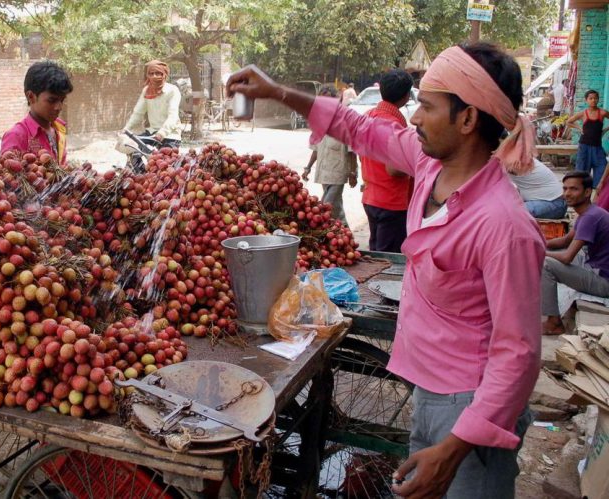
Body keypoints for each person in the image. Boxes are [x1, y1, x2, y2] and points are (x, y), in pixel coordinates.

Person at [228, 41, 544, 499]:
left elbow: (518, 356)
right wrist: (278, 92)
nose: (414, 117)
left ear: (468, 119)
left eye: (428, 106)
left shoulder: (504, 226)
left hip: (471, 410)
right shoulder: (429, 166)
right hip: (430, 391)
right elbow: (356, 128)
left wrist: (454, 450)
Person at [541, 171, 609, 334]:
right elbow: (564, 241)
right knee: (548, 255)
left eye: (573, 189)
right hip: (595, 268)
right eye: (565, 189)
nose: (567, 194)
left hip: (605, 281)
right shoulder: (589, 213)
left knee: (545, 265)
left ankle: (554, 322)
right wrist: (538, 244)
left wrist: (539, 252)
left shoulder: (590, 217)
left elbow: (566, 257)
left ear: (587, 192)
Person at [360, 69, 414, 252]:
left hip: (371, 197)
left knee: (377, 253)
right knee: (388, 260)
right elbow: (394, 169)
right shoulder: (393, 124)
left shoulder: (368, 116)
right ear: (406, 96)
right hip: (391, 201)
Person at [301, 86, 357, 226]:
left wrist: (353, 172)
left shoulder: (344, 121)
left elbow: (352, 151)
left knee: (326, 206)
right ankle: (345, 233)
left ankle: (329, 234)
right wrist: (308, 168)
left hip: (338, 173)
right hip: (324, 173)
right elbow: (316, 149)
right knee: (336, 208)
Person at [1, 60, 73, 165]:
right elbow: (8, 176)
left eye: (62, 100)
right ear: (31, 97)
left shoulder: (59, 128)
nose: (59, 107)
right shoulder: (17, 136)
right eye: (52, 100)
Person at [124, 60, 182, 149]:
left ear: (164, 74)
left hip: (170, 135)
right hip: (151, 133)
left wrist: (162, 133)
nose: (154, 76)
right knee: (132, 147)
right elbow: (138, 113)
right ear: (148, 75)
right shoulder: (147, 91)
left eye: (158, 73)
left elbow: (172, 116)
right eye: (151, 74)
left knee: (163, 161)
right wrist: (126, 129)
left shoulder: (172, 91)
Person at [566, 90, 609, 188]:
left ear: (598, 99)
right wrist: (579, 128)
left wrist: (605, 130)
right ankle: (581, 196)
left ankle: (596, 195)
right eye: (590, 98)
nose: (593, 100)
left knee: (602, 169)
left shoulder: (602, 113)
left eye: (595, 98)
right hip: (584, 147)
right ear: (586, 100)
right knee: (581, 173)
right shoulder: (583, 114)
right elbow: (569, 122)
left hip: (598, 147)